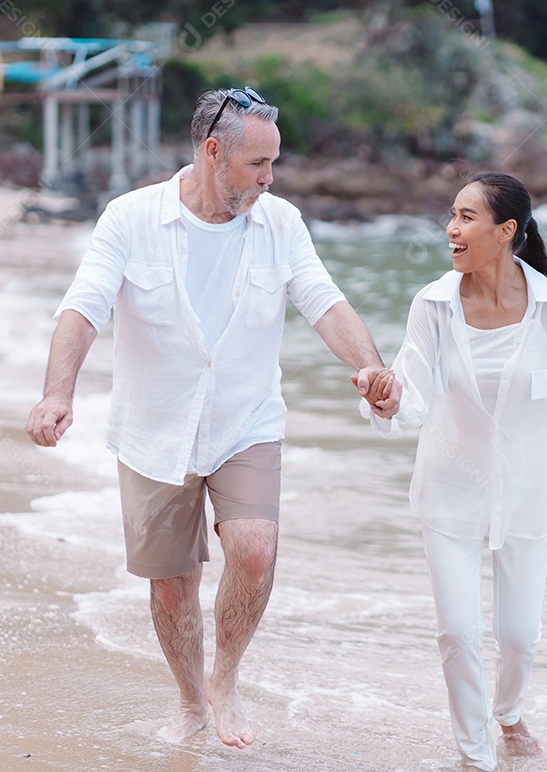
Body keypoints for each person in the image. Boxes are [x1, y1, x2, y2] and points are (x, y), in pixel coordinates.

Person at [27, 86, 397, 749]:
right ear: (212, 151)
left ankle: (226, 679)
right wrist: (58, 394)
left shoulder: (279, 222)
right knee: (173, 586)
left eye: (273, 163)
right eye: (258, 164)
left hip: (245, 422)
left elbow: (325, 301)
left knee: (254, 552)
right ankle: (191, 702)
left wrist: (371, 369)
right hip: (153, 428)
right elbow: (83, 308)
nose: (270, 177)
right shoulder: (130, 219)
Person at [357, 171, 547, 771]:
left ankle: (508, 714)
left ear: (506, 232)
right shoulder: (433, 304)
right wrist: (385, 398)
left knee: (520, 637)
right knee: (456, 631)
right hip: (450, 487)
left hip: (527, 493)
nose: (451, 228)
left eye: (467, 217)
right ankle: (475, 756)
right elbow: (411, 392)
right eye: (451, 214)